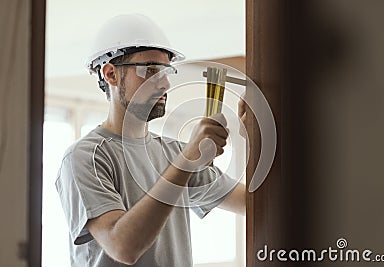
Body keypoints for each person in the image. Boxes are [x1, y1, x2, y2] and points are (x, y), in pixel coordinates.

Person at [56, 14, 246, 267]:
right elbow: (123, 246)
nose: (165, 83)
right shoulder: (85, 157)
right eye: (150, 70)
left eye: (167, 71)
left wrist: (255, 135)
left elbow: (257, 206)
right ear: (111, 74)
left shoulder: (173, 152)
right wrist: (187, 160)